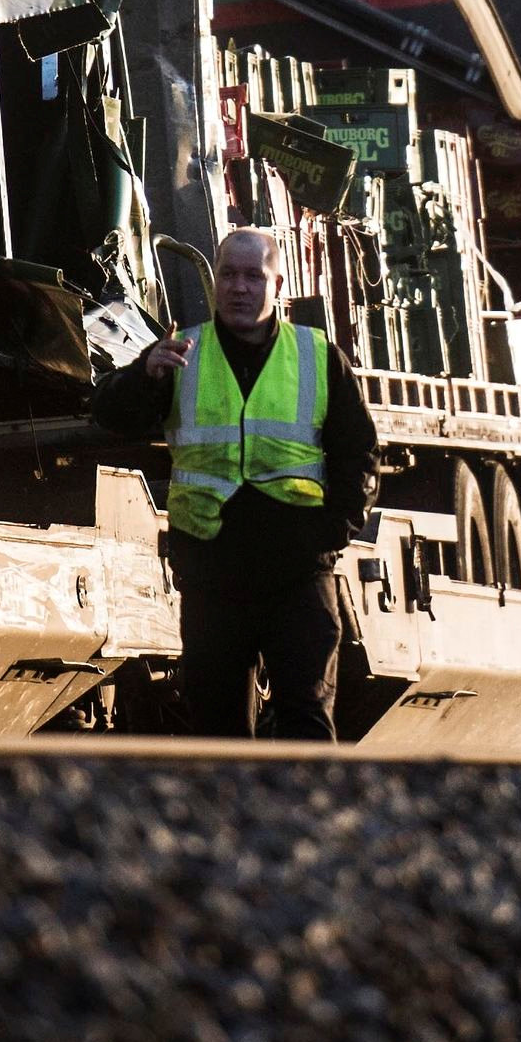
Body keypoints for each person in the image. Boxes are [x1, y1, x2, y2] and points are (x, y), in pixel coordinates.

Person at [93, 226, 378, 739]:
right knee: (218, 727)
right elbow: (112, 416)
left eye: (253, 276)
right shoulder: (182, 353)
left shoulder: (317, 356)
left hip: (296, 572)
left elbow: (358, 453)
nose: (239, 287)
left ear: (278, 285)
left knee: (307, 717)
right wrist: (143, 375)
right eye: (228, 274)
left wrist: (332, 534)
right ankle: (229, 819)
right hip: (213, 572)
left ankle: (305, 816)